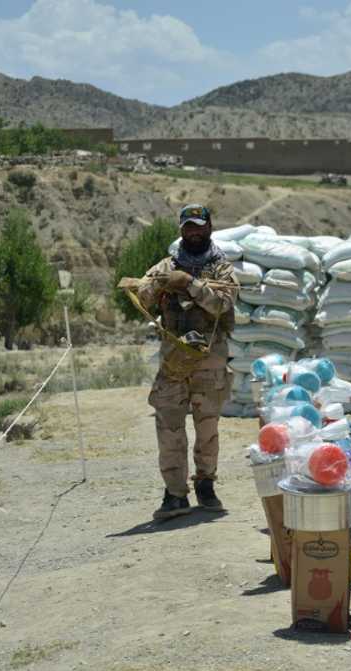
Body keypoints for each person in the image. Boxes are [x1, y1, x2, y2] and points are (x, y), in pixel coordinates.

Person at [137, 204, 239, 520]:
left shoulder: (222, 269)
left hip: (209, 358)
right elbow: (141, 296)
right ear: (181, 230)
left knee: (206, 426)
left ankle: (205, 485)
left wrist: (190, 284)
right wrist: (160, 283)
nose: (194, 232)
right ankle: (175, 494)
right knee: (168, 425)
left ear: (209, 227)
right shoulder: (166, 266)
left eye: (199, 226)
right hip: (174, 359)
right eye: (188, 227)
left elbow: (224, 303)